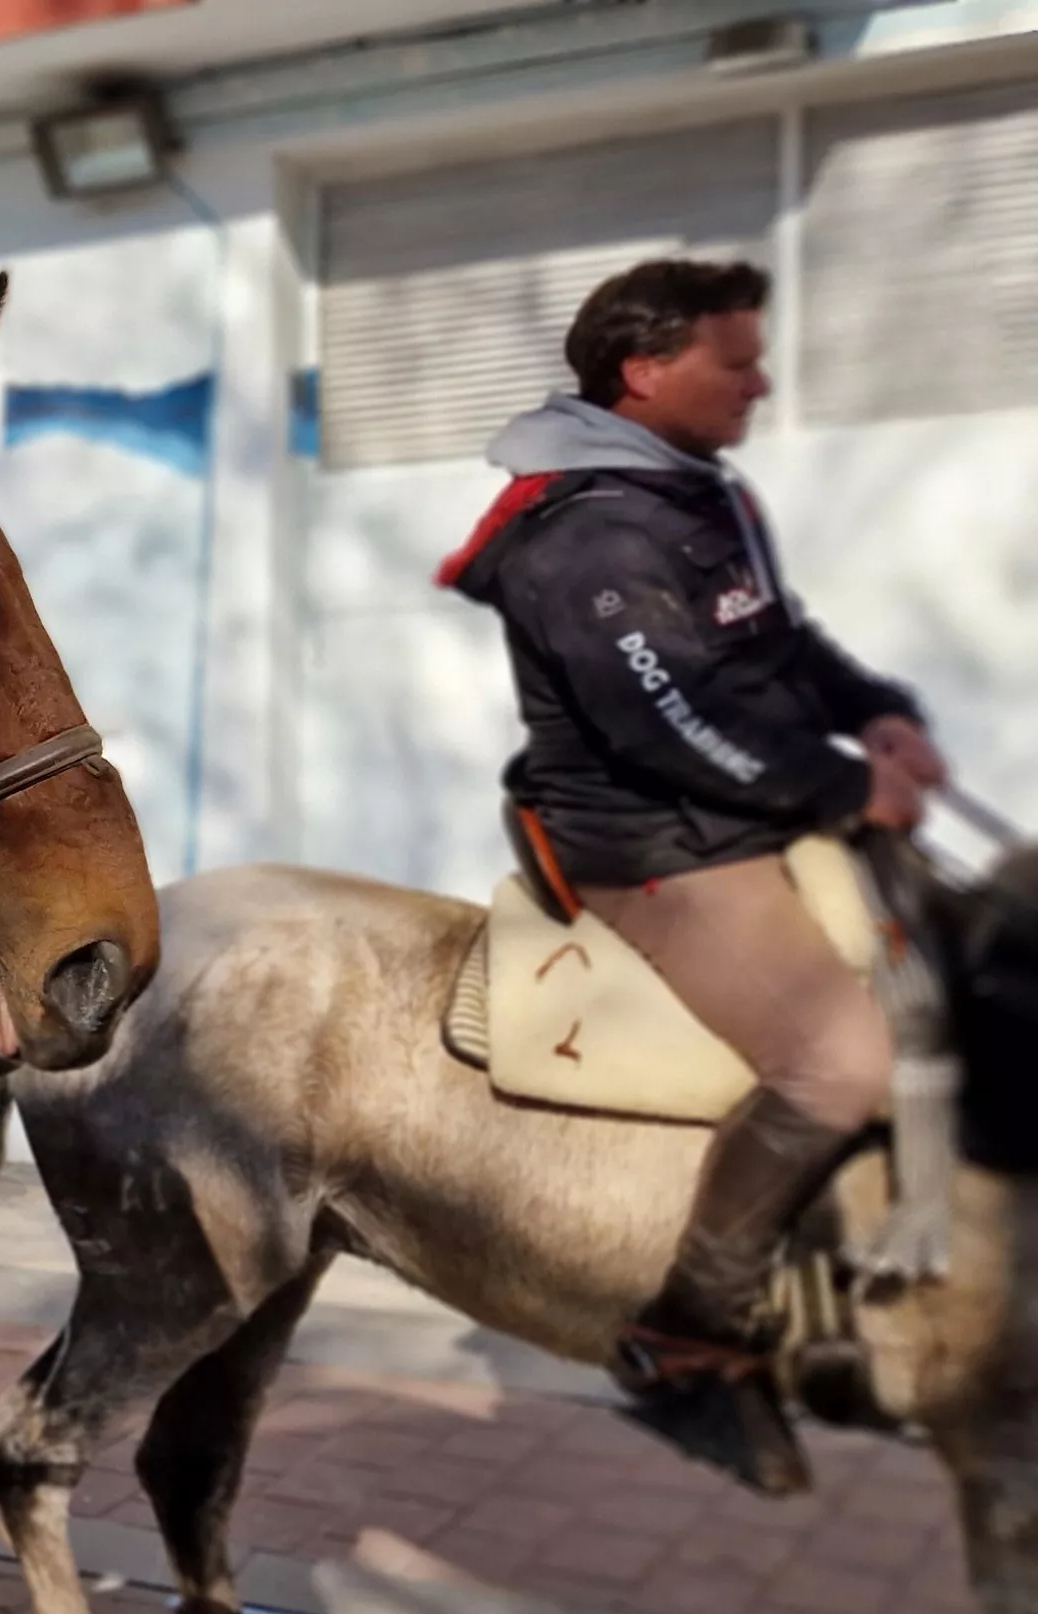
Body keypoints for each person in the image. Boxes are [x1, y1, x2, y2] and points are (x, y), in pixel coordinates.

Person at [440, 257, 944, 1495]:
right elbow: (669, 722)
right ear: (645, 369)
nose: (760, 383)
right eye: (736, 362)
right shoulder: (590, 537)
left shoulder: (689, 495)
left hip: (745, 810)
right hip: (658, 849)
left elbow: (775, 643)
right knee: (844, 1062)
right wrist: (839, 789)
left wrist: (873, 711)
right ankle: (682, 1337)